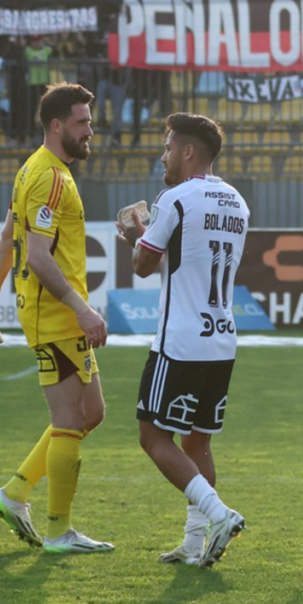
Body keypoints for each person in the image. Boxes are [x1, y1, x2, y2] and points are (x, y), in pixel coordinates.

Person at [0, 83, 113, 555]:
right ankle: (59, 530)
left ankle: (15, 494)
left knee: (90, 412)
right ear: (57, 125)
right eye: (82, 122)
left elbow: (5, 239)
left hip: (51, 313)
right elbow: (36, 256)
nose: (89, 130)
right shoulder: (50, 177)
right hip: (55, 315)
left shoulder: (33, 170)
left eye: (90, 122)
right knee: (69, 418)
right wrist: (82, 308)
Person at [117, 113, 249, 568]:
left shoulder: (174, 199)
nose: (163, 154)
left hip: (179, 341)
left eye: (169, 146)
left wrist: (137, 234)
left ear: (189, 152)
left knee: (153, 437)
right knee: (199, 443)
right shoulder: (236, 200)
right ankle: (194, 543)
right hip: (222, 338)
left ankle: (219, 513)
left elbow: (143, 264)